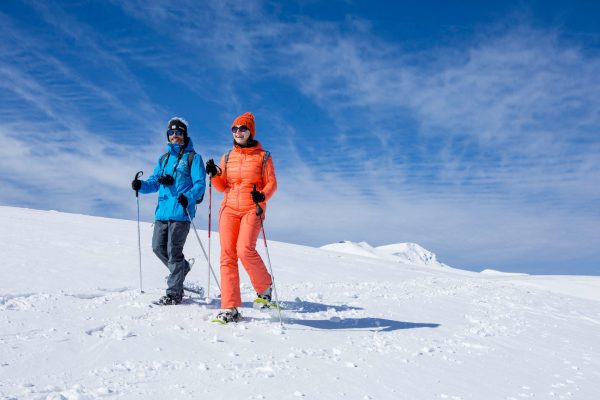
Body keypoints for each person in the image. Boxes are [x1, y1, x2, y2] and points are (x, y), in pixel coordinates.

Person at [205, 112, 277, 323]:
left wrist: (262, 195)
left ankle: (264, 288)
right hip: (228, 208)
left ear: (250, 131)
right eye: (234, 129)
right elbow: (222, 187)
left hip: (252, 208)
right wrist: (215, 175)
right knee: (227, 255)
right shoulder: (227, 156)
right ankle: (230, 307)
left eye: (242, 128)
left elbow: (272, 183)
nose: (238, 132)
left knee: (244, 249)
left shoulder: (264, 156)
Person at [132, 117, 206, 305]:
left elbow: (200, 184)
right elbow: (153, 182)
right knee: (158, 247)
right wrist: (141, 185)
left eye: (179, 132)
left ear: (185, 134)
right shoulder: (164, 159)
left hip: (181, 212)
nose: (175, 136)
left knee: (174, 251)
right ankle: (182, 269)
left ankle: (174, 294)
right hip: (162, 212)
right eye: (172, 132)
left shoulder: (194, 158)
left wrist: (188, 197)